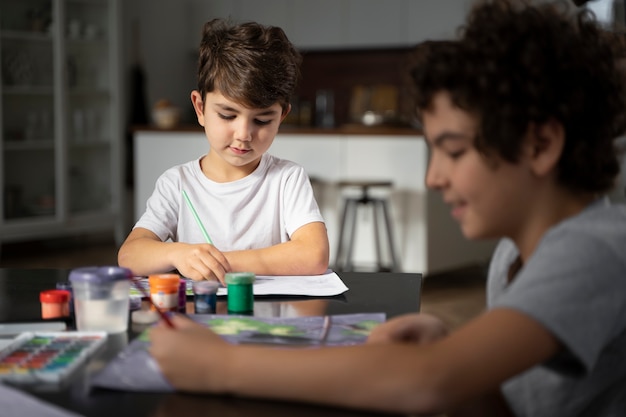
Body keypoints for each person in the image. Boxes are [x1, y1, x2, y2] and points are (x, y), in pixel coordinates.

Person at [148, 1, 626, 415]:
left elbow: (428, 382)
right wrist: (448, 351)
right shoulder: (513, 256)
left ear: (541, 145)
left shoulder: (593, 250)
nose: (432, 177)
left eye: (454, 150)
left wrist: (223, 365)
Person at [118, 19, 330, 284]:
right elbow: (129, 255)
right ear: (200, 108)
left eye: (262, 121)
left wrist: (218, 263)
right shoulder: (177, 184)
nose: (244, 134)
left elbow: (315, 255)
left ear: (282, 116)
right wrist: (178, 254)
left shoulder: (287, 178)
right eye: (228, 115)